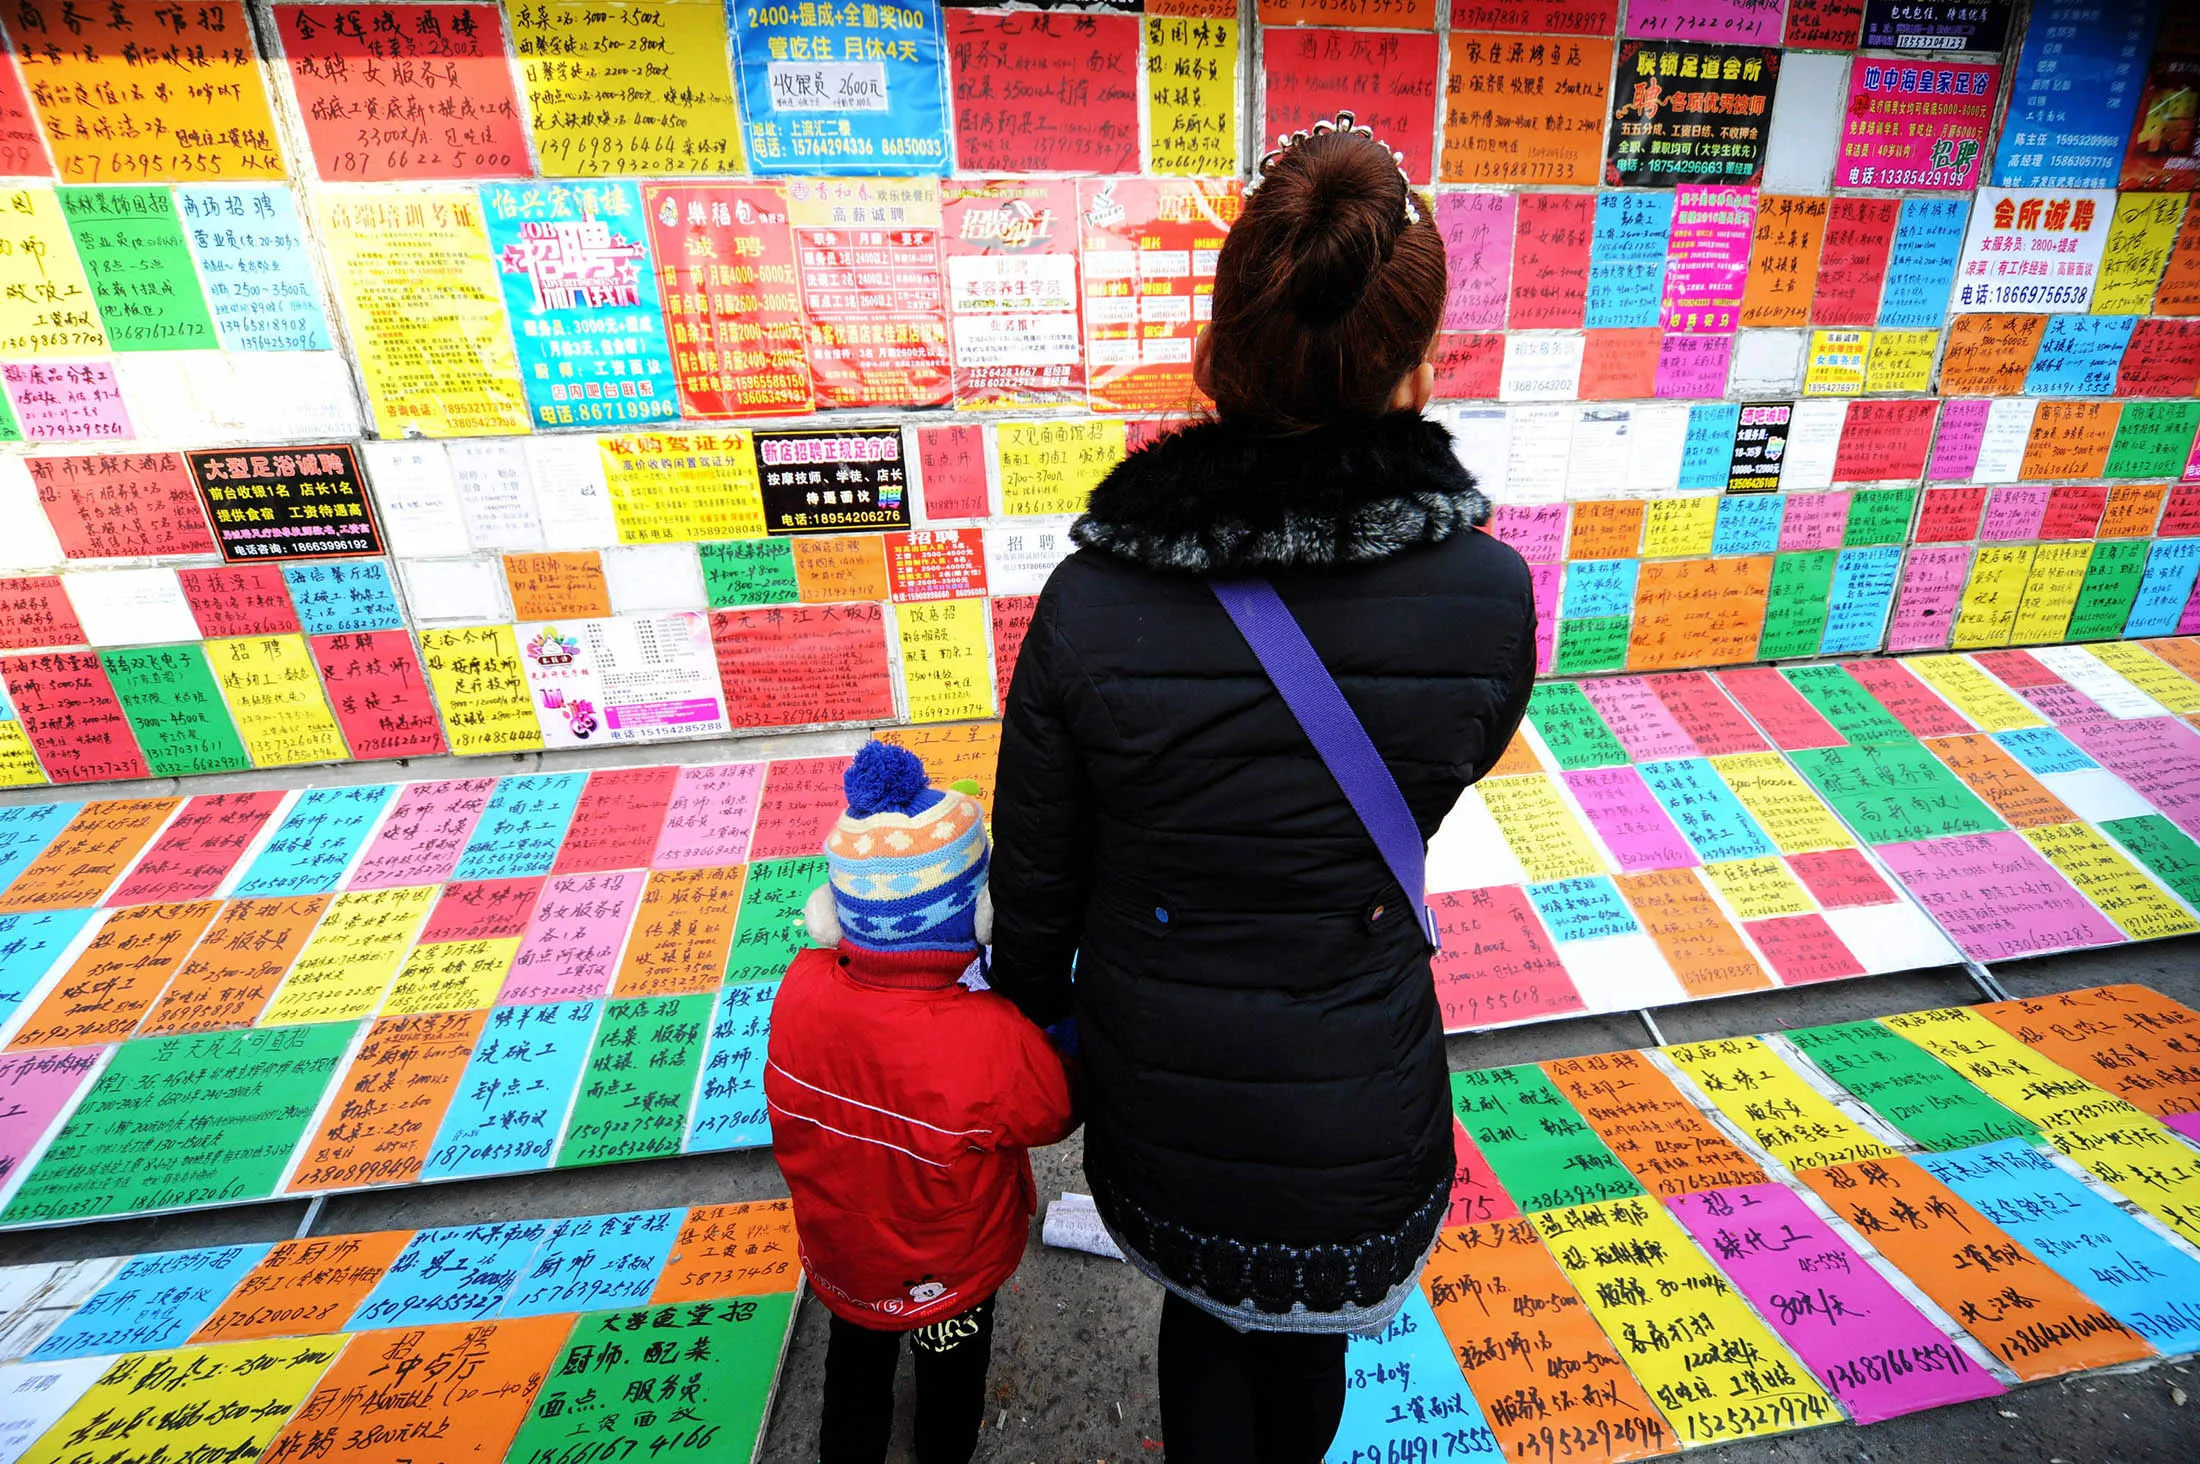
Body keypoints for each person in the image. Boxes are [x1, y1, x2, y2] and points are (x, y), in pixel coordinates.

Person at [986, 115, 1537, 1462]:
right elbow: (1429, 790)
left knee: (1206, 1322)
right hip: (1360, 1092)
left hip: (1160, 1091)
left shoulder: (1090, 601)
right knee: (1306, 1354)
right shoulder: (1491, 596)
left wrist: (1037, 1020)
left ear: (1220, 345)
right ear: (1410, 361)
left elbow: (1038, 887)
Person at [764, 740, 1076, 1464]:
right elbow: (1055, 1111)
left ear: (836, 913)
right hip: (954, 1269)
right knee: (952, 1373)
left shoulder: (799, 990)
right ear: (980, 915)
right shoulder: (989, 1037)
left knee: (856, 1359)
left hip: (844, 1258)